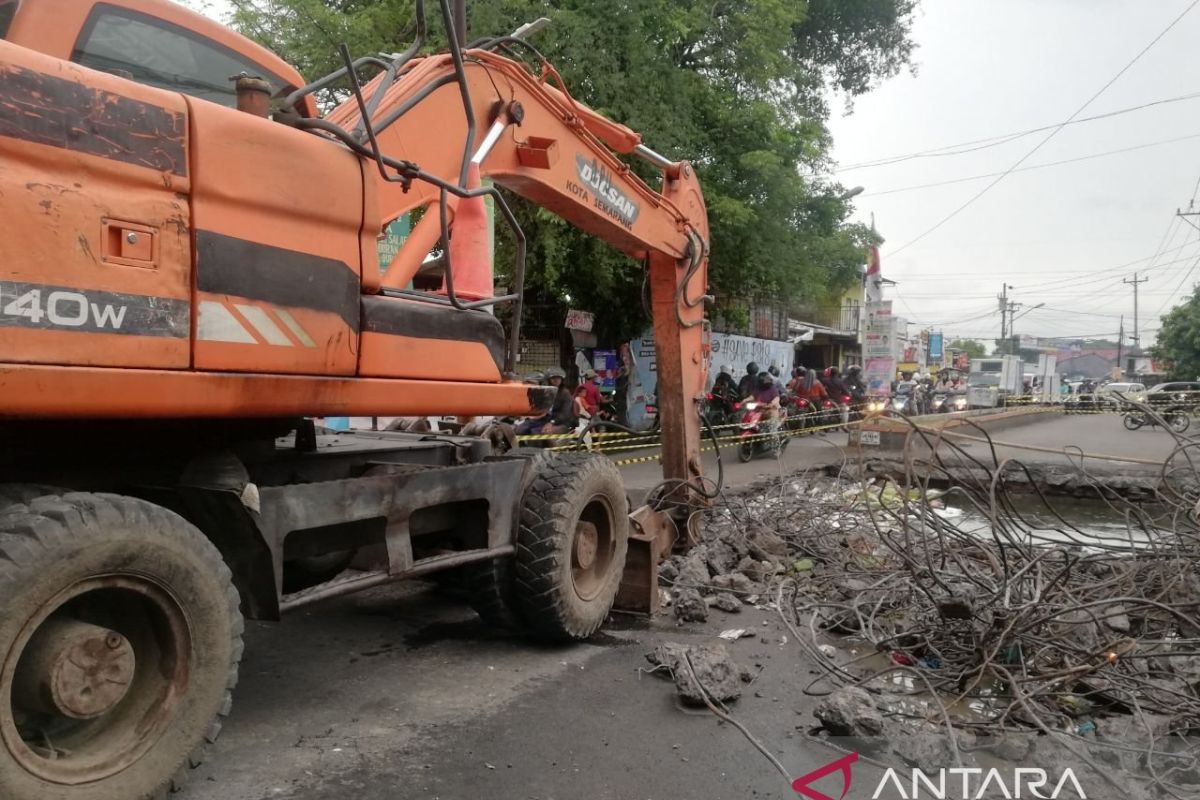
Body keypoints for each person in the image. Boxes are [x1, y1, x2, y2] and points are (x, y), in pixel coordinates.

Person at [515, 366, 575, 435]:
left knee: (537, 432)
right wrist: (528, 416)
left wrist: (552, 422)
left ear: (562, 379)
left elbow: (565, 414)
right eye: (553, 378)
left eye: (558, 378)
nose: (556, 380)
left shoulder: (565, 394)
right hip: (544, 419)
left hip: (561, 422)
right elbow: (539, 408)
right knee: (520, 429)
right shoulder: (545, 391)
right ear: (549, 379)